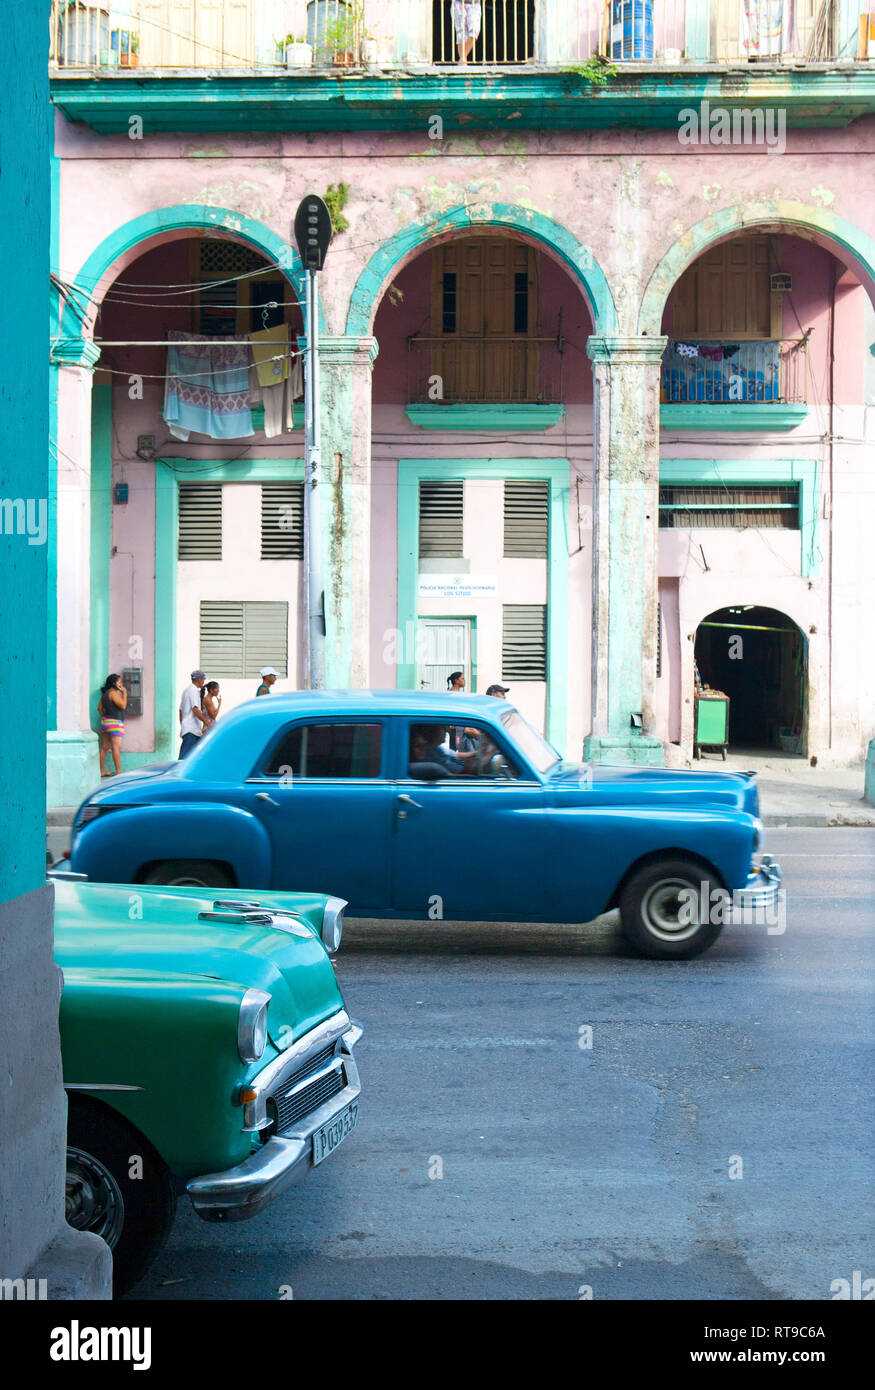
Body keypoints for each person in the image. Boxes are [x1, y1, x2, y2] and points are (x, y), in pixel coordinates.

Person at [97, 673, 127, 777]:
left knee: (104, 747)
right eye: (120, 682)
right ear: (114, 683)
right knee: (116, 747)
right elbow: (123, 705)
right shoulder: (113, 693)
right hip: (115, 722)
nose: (121, 684)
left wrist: (106, 717)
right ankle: (119, 772)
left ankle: (102, 770)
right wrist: (124, 693)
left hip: (106, 721)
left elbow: (99, 709)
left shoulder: (105, 694)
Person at [179, 669, 208, 758]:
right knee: (184, 757)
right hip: (192, 729)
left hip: (189, 729)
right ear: (199, 679)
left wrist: (182, 725)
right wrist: (207, 722)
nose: (203, 681)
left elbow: (180, 711)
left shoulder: (186, 691)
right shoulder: (194, 691)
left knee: (192, 756)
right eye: (203, 679)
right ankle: (177, 771)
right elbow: (195, 709)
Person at [451, 0, 481, 65]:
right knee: (461, 35)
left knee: (474, 31)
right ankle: (463, 63)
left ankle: (462, 59)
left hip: (474, 3)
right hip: (458, 3)